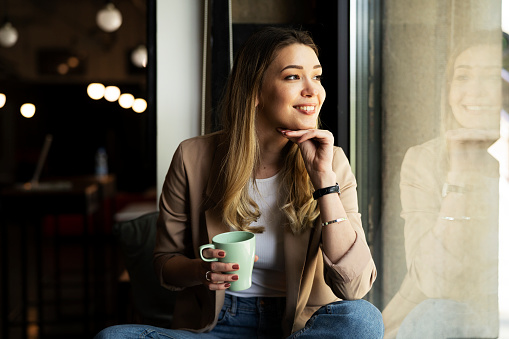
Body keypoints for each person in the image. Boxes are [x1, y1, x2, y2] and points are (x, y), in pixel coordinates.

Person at [96, 26, 383, 339]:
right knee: (114, 337)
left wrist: (324, 180)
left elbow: (354, 285)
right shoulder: (193, 157)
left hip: (300, 328)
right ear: (255, 91)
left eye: (316, 76)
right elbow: (165, 264)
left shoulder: (332, 161)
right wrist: (203, 271)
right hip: (217, 325)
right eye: (292, 76)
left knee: (362, 318)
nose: (313, 90)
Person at [382, 30, 502, 339]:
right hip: (433, 315)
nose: (474, 92)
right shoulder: (424, 160)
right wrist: (461, 174)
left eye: (490, 77)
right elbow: (434, 282)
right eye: (462, 77)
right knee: (444, 314)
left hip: (496, 314)